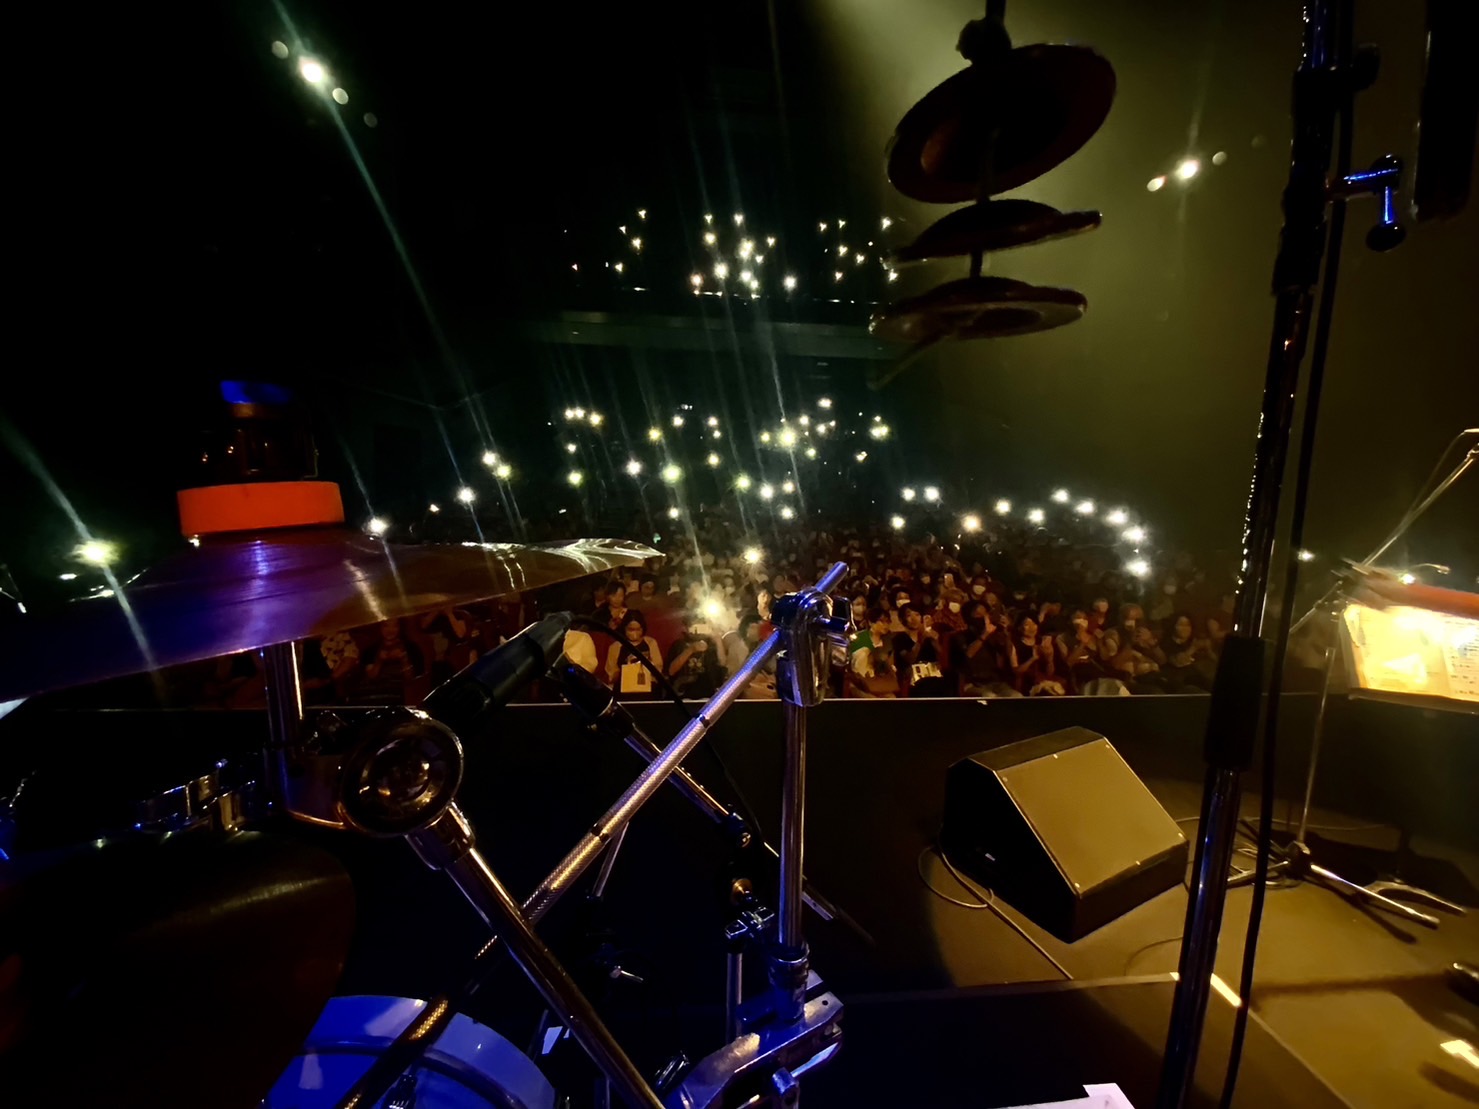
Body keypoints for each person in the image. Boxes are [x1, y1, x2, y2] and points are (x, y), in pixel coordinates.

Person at [950, 601, 1019, 697]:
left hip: (995, 683)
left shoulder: (994, 636)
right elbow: (968, 654)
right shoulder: (960, 636)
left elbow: (1009, 653)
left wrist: (1006, 633)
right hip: (972, 683)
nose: (983, 618)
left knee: (1016, 696)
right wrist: (984, 635)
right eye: (978, 614)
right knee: (990, 697)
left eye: (985, 614)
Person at [359, 618, 427, 704]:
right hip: (375, 697)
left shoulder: (411, 648)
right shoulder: (371, 650)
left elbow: (413, 680)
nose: (390, 630)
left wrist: (404, 660)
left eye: (395, 626)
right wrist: (379, 661)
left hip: (402, 698)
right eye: (386, 626)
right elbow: (370, 678)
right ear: (379, 627)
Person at [892, 604, 949, 696]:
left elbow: (943, 659)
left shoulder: (929, 636)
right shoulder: (900, 638)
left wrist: (934, 641)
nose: (914, 619)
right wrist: (920, 640)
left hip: (934, 677)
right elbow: (910, 658)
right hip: (913, 680)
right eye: (909, 615)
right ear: (902, 619)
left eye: (917, 615)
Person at [605, 610, 663, 697]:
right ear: (624, 628)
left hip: (647, 686)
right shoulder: (616, 647)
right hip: (624, 687)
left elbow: (658, 669)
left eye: (638, 629)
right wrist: (627, 669)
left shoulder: (650, 643)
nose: (635, 634)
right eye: (631, 630)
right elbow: (611, 674)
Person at [668, 612, 725, 698]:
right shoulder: (679, 645)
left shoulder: (711, 645)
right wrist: (690, 650)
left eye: (701, 625)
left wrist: (718, 640)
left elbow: (722, 663)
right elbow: (671, 671)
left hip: (708, 695)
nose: (697, 630)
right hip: (683, 695)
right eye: (693, 626)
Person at [847, 608, 899, 697]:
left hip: (879, 682)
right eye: (882, 621)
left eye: (888, 621)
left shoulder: (887, 641)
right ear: (871, 622)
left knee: (891, 698)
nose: (885, 625)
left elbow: (889, 666)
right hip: (859, 683)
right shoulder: (858, 638)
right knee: (871, 699)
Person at [1159, 613, 1212, 692]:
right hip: (1178, 681)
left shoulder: (1195, 640)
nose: (1185, 628)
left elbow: (1214, 660)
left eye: (1187, 625)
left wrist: (1209, 650)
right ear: (1173, 626)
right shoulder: (1166, 643)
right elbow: (1176, 662)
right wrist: (1193, 648)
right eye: (1181, 625)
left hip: (1199, 678)